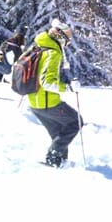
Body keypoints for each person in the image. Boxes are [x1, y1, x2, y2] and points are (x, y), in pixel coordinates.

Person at [28, 19, 82, 167]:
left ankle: (57, 163)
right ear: (60, 36)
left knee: (58, 133)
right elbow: (46, 82)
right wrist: (68, 88)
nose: (69, 40)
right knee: (76, 121)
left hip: (35, 102)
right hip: (48, 102)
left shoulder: (39, 47)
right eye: (67, 36)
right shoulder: (53, 53)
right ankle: (54, 157)